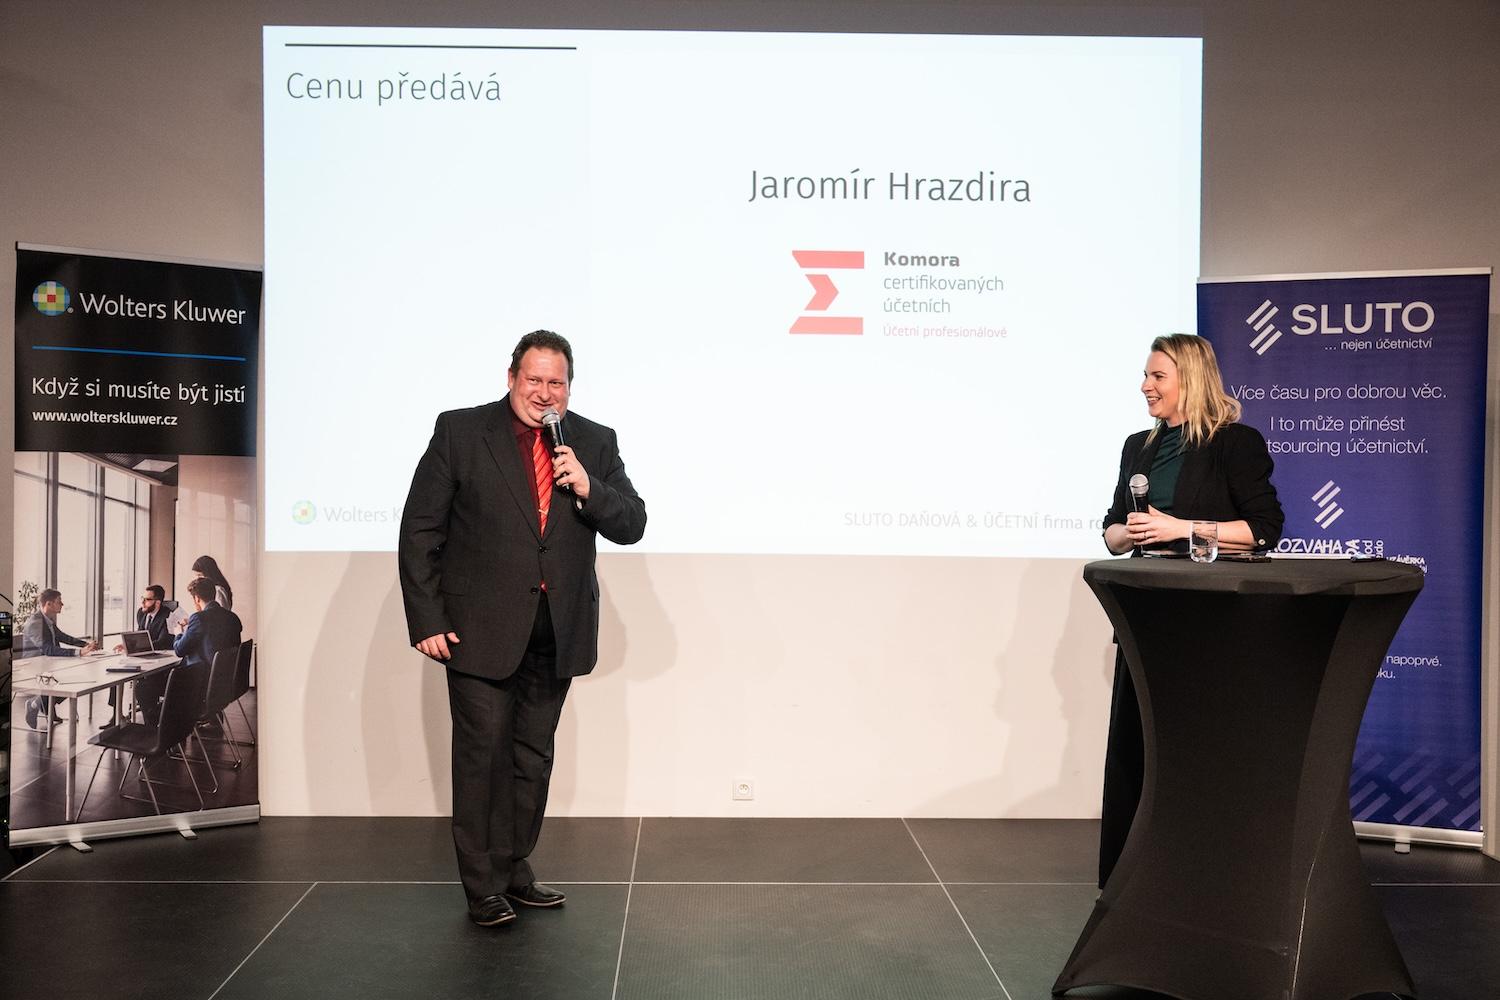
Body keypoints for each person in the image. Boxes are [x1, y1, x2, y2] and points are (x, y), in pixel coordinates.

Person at [399, 330, 646, 927]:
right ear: (511, 378)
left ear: (569, 387)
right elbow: (420, 531)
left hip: (556, 631)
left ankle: (513, 868)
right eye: (533, 380)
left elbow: (632, 522)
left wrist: (588, 487)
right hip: (477, 631)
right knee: (482, 757)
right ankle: (482, 884)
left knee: (532, 759)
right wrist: (427, 619)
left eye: (555, 382)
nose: (544, 393)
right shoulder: (460, 432)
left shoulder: (593, 441)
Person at [1097, 333, 1284, 888]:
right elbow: (1111, 531)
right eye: (1146, 375)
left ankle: (1203, 878)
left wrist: (1179, 528)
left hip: (1207, 622)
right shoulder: (1138, 446)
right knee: (1136, 749)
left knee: (1200, 753)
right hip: (1145, 616)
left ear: (1191, 380)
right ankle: (1130, 881)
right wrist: (1128, 535)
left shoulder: (1235, 443)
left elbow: (1264, 530)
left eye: (1157, 376)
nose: (1145, 386)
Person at [134, 576, 242, 727]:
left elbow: (179, 650)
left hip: (199, 683)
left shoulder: (199, 618)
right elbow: (214, 634)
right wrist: (191, 624)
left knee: (144, 687)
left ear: (196, 598)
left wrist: (179, 633)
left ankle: (155, 731)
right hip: (225, 682)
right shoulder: (232, 617)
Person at [20, 588, 99, 729]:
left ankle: (43, 705)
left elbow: (62, 637)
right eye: (59, 601)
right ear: (49, 604)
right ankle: (35, 704)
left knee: (72, 679)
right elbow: (48, 649)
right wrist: (79, 652)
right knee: (67, 681)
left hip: (47, 663)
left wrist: (86, 645)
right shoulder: (35, 622)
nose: (62, 604)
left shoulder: (47, 620)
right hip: (34, 666)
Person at [105, 584, 173, 727]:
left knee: (145, 686)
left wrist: (139, 647)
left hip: (160, 659)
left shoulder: (168, 615)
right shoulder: (141, 613)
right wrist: (127, 645)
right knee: (117, 673)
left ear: (157, 602)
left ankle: (150, 724)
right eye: (142, 598)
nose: (142, 602)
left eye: (147, 600)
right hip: (141, 655)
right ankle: (117, 716)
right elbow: (139, 634)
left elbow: (163, 641)